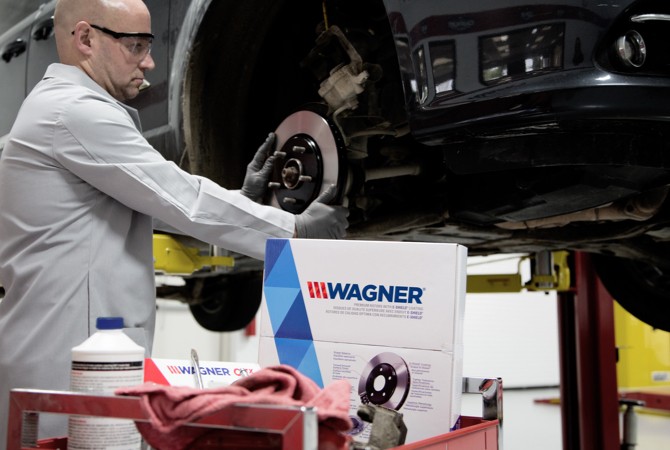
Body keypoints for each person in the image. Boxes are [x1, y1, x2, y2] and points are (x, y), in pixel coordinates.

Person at [0, 0, 349, 444]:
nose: (149, 60)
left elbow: (156, 202)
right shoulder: (73, 113)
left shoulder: (65, 109)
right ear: (86, 39)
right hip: (66, 368)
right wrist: (291, 229)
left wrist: (242, 203)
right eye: (136, 45)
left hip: (74, 359)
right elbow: (181, 197)